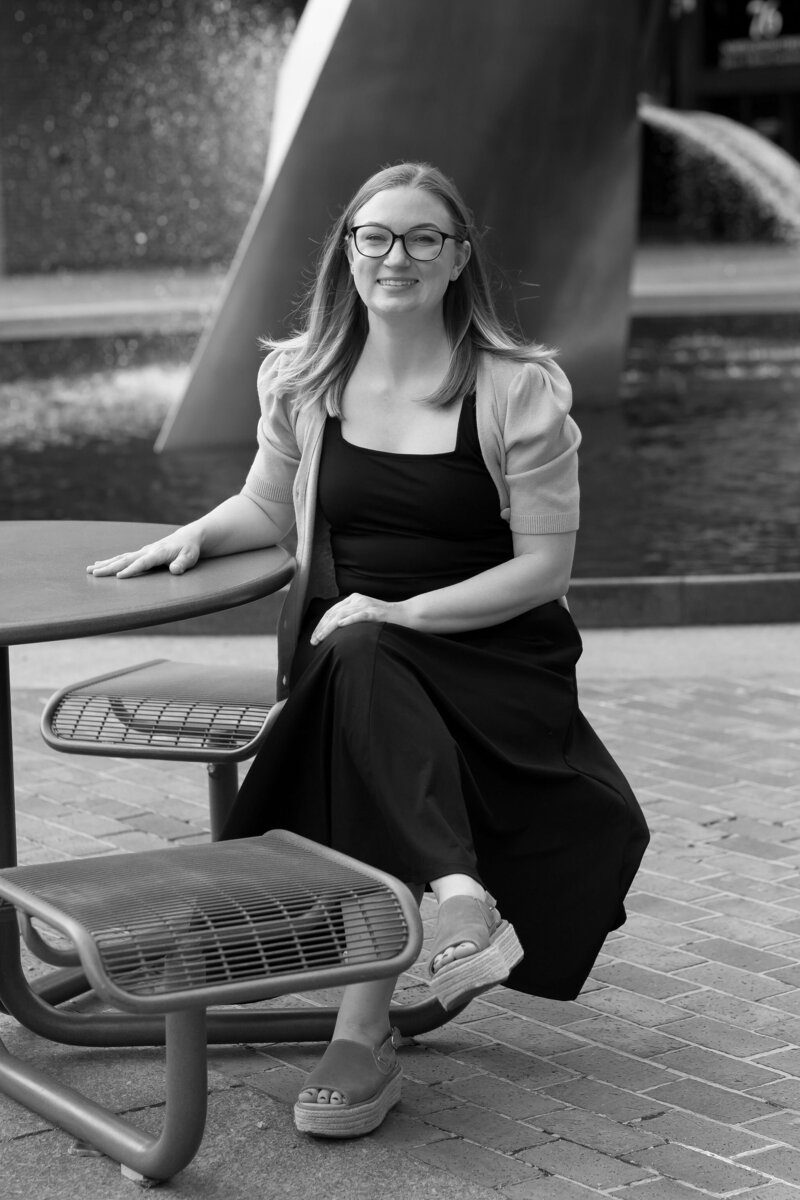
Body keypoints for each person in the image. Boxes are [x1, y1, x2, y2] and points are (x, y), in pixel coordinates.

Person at [88, 161, 649, 1140]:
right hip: (361, 656)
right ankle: (448, 910)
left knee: (354, 657)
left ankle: (335, 1000)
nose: (396, 257)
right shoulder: (303, 375)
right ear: (345, 253)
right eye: (374, 236)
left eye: (422, 237)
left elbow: (541, 574)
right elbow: (268, 506)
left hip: (493, 655)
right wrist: (194, 535)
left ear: (457, 257)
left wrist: (398, 611)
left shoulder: (516, 389)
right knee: (352, 665)